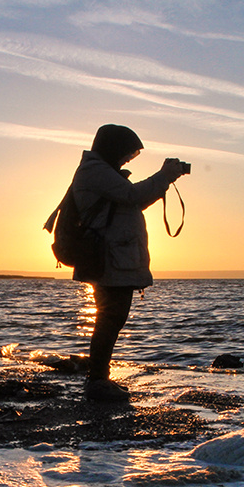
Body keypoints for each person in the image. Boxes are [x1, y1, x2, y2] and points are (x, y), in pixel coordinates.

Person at [70, 124, 187, 401]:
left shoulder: (100, 170)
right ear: (112, 148)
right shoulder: (95, 170)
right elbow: (133, 196)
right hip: (109, 258)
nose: (127, 159)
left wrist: (163, 181)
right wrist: (164, 177)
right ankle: (97, 380)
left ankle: (99, 378)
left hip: (115, 257)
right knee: (110, 318)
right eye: (127, 153)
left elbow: (130, 202)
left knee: (112, 318)